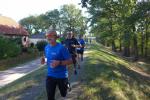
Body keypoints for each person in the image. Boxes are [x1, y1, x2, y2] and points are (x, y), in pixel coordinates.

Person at [41, 29, 73, 100]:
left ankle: (67, 85)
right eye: (47, 36)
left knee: (63, 94)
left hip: (61, 76)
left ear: (56, 37)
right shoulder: (46, 47)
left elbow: (71, 61)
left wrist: (60, 62)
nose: (48, 37)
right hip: (50, 75)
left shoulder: (62, 48)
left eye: (51, 35)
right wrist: (44, 60)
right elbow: (48, 58)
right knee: (50, 96)